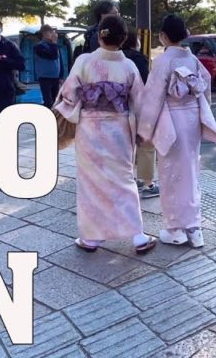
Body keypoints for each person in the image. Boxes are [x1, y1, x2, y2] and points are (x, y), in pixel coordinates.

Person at [54, 16, 158, 255]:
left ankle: (91, 238)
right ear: (123, 39)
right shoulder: (129, 66)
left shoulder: (84, 61)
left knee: (91, 183)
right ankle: (138, 236)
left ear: (100, 35)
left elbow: (69, 94)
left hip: (90, 130)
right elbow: (140, 104)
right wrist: (143, 133)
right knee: (123, 180)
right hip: (119, 130)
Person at [138, 14, 216, 247]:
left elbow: (152, 97)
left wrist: (145, 129)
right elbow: (204, 90)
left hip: (171, 122)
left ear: (163, 36)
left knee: (171, 174)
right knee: (190, 171)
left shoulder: (163, 62)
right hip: (192, 118)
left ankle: (176, 229)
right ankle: (194, 229)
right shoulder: (193, 60)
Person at [121, 32, 160, 199]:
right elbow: (146, 83)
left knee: (128, 145)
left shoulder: (118, 58)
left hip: (120, 109)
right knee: (146, 145)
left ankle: (132, 178)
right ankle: (148, 184)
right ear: (134, 41)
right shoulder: (139, 59)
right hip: (140, 106)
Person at [34, 25, 62, 108]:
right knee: (48, 102)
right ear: (45, 34)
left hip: (55, 77)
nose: (54, 35)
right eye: (51, 33)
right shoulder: (38, 47)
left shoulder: (55, 46)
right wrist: (54, 43)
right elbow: (52, 56)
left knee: (56, 101)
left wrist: (61, 76)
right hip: (44, 78)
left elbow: (59, 61)